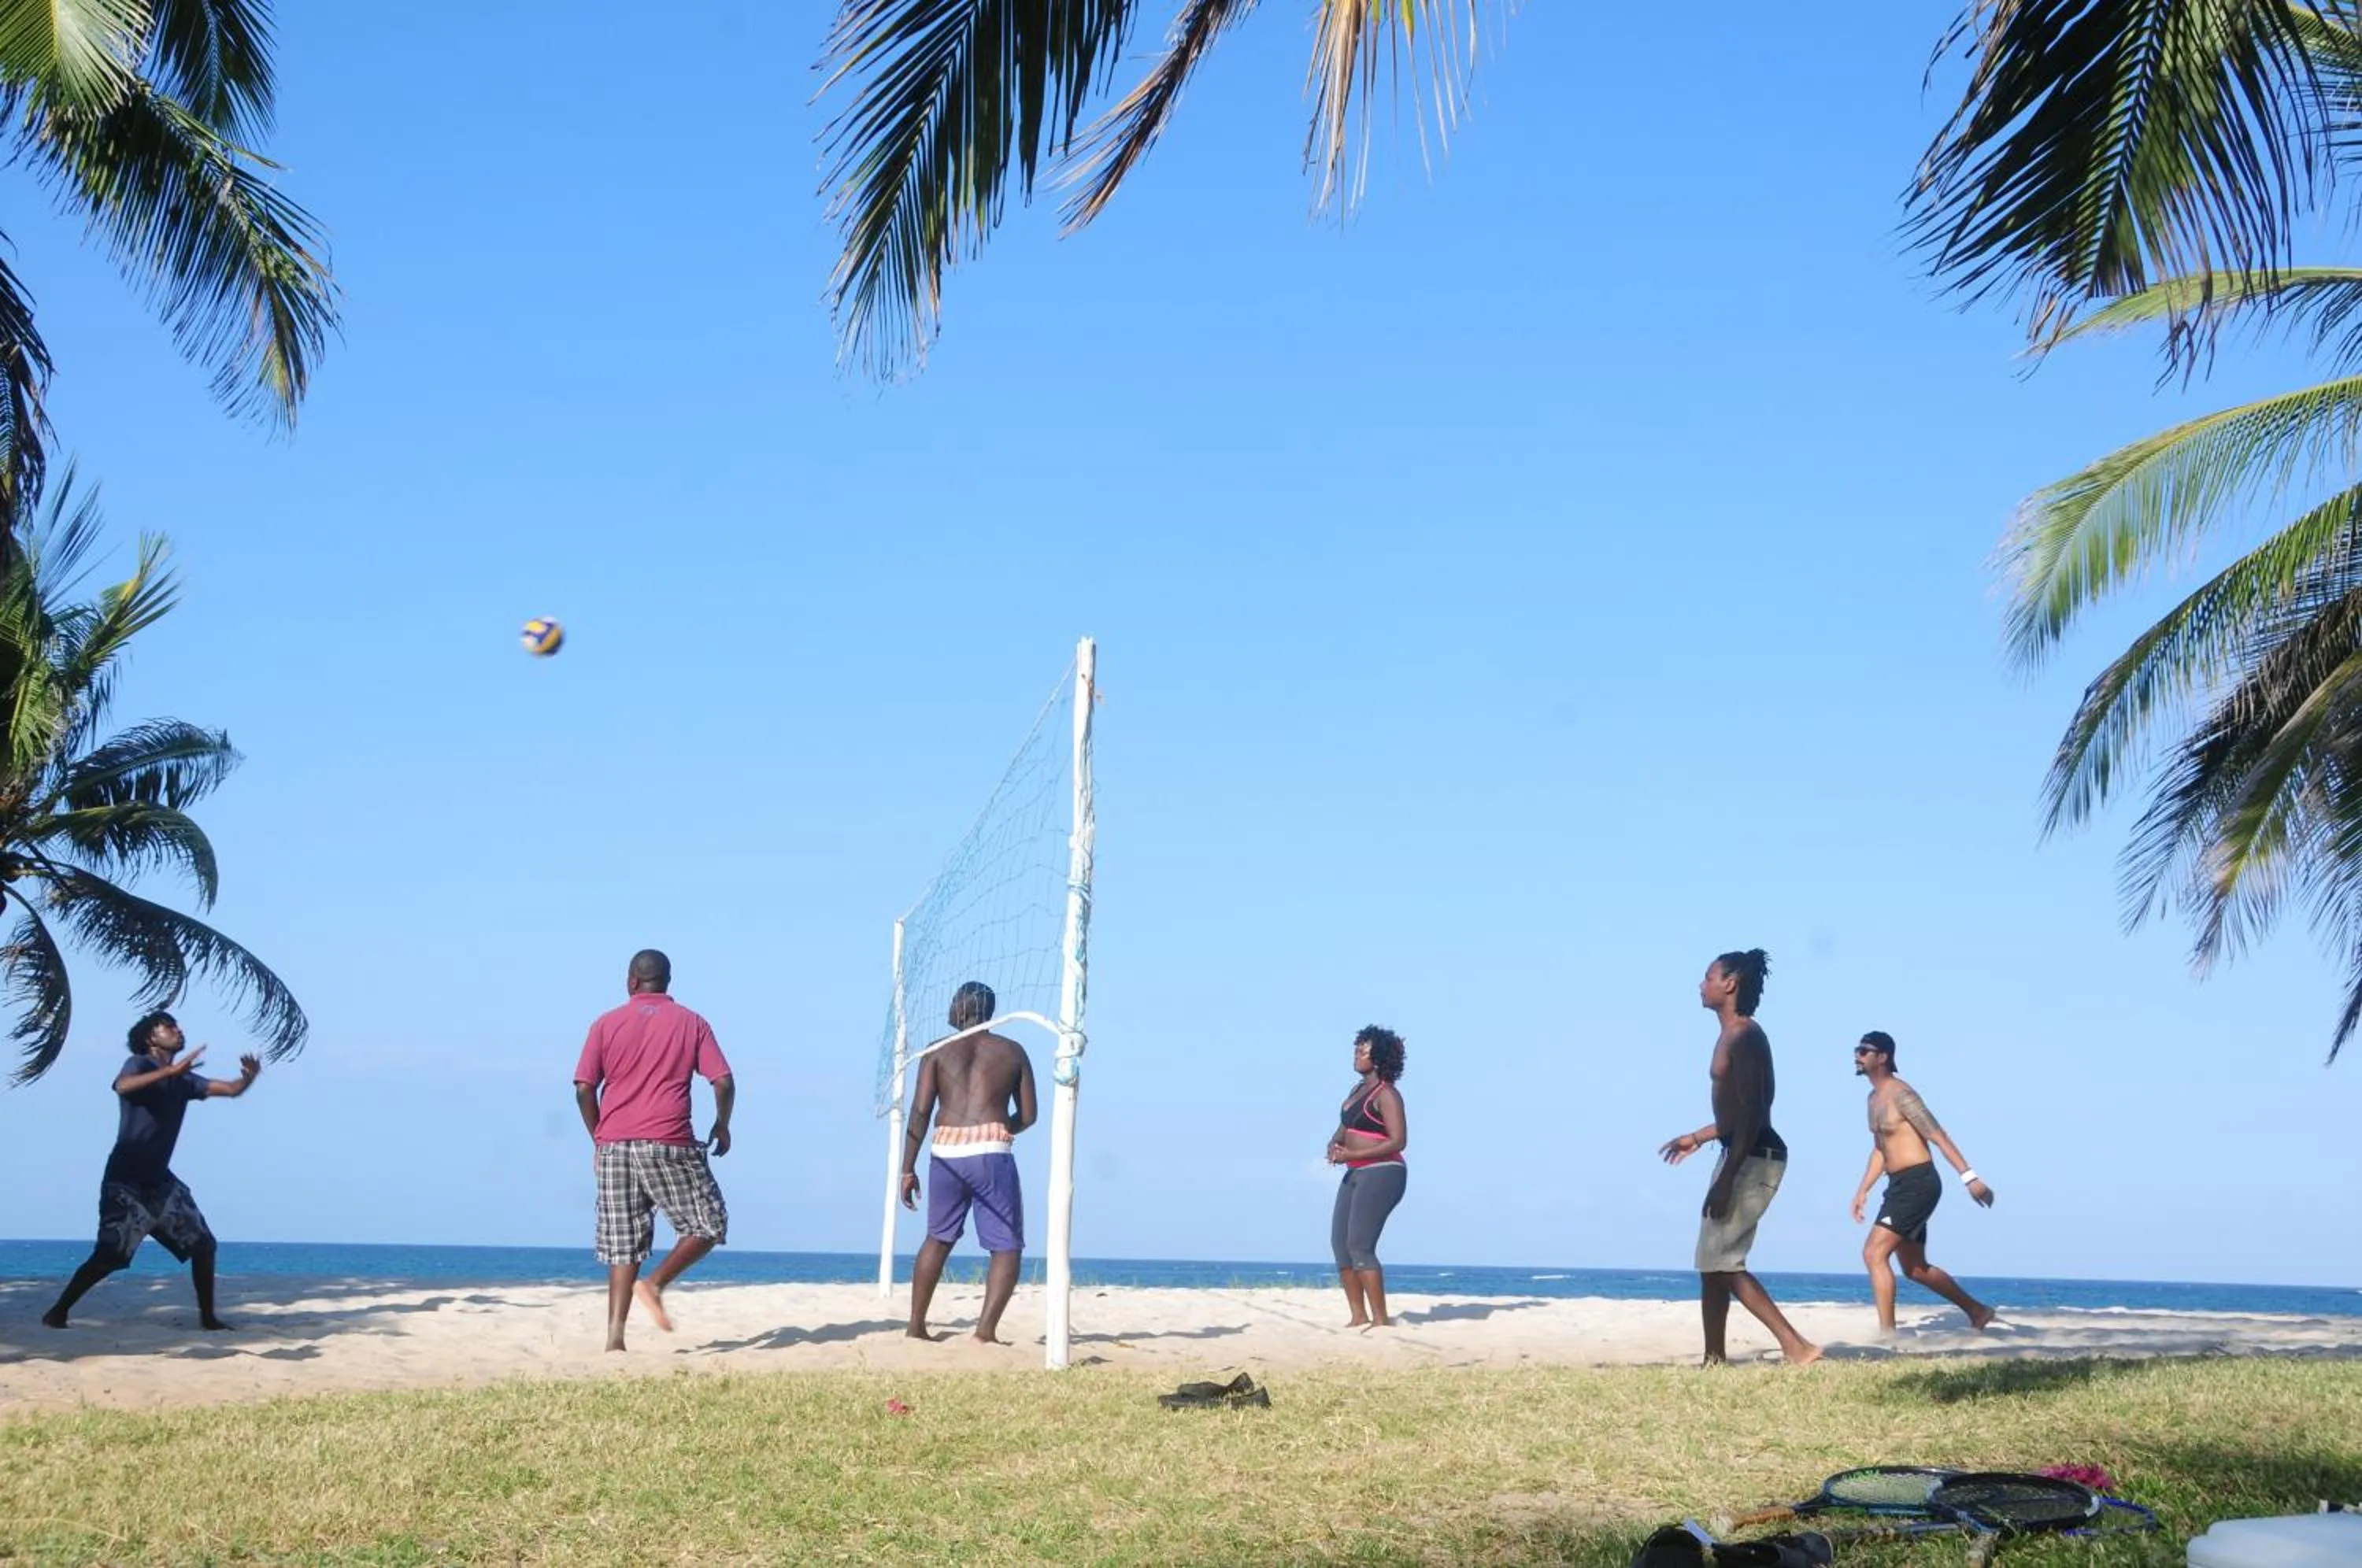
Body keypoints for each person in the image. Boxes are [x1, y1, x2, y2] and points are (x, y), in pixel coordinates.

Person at [43, 1011, 261, 1331]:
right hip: (125, 1181)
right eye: (170, 1026)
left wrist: (248, 1077)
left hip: (161, 1182)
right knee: (109, 1257)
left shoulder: (185, 1080)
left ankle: (208, 1318)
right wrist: (170, 1071)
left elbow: (230, 1089)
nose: (178, 1030)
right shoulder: (140, 1063)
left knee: (204, 1245)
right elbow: (122, 1086)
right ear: (150, 1036)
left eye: (179, 1026)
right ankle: (58, 1312)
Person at [1658, 949, 1821, 1366]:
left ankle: (1797, 1347)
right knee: (1711, 1262)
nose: (1701, 984)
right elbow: (1736, 1113)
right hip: (1742, 1151)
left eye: (1708, 977)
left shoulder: (1745, 1036)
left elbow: (1754, 1112)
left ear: (1729, 984)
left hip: (1755, 1157)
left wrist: (1727, 1179)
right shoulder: (1732, 1034)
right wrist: (1698, 1137)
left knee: (1725, 1261)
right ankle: (1714, 1359)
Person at [572, 949, 734, 1352]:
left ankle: (614, 1339)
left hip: (615, 1146)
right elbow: (724, 1080)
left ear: (631, 982)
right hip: (669, 1141)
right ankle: (656, 1284)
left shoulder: (605, 1024)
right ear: (667, 982)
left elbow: (583, 1087)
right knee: (708, 1223)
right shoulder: (692, 1023)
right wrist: (722, 1124)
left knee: (621, 1242)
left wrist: (599, 1136)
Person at [900, 981, 1037, 1344]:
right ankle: (985, 1333)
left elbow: (920, 1113)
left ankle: (916, 1326)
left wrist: (907, 1168)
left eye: (953, 1000)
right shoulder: (1012, 1052)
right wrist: (997, 1129)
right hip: (991, 1154)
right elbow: (1030, 1114)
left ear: (963, 1007)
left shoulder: (937, 1051)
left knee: (938, 1238)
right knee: (1005, 1246)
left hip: (946, 1152)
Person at [1849, 1030, 1997, 1336]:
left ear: (1883, 1057)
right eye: (1857, 1050)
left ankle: (1888, 1336)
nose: (1857, 1056)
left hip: (1918, 1182)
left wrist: (1970, 1178)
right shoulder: (1872, 1099)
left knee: (1873, 1254)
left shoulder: (1901, 1093)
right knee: (1914, 1268)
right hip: (1899, 1184)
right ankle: (1977, 1311)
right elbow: (1880, 1149)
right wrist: (1863, 1190)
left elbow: (1937, 1135)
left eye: (1864, 1051)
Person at [1326, 1025, 1408, 1330]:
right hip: (1355, 1171)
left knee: (1360, 1244)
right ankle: (1358, 1316)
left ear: (1380, 1057)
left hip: (1384, 1173)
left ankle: (1381, 1320)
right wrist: (1334, 1143)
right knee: (1340, 1245)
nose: (1357, 1054)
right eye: (1356, 1049)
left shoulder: (1387, 1094)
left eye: (1364, 1050)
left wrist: (1353, 1155)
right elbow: (1346, 1126)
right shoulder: (1356, 1091)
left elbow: (1399, 1141)